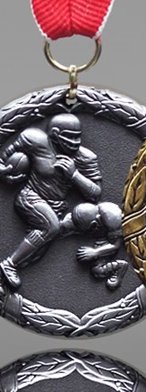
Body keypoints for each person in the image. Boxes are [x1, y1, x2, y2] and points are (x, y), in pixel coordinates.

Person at [0, 114, 102, 290]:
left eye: (78, 136)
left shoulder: (86, 158)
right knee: (51, 227)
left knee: (35, 254)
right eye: (70, 137)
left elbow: (95, 194)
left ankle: (4, 279)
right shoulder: (34, 140)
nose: (75, 142)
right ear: (55, 134)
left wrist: (74, 175)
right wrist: (7, 173)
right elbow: (3, 159)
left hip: (56, 207)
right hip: (30, 197)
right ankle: (9, 264)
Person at [60, 202, 128, 291]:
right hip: (101, 231)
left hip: (110, 238)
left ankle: (119, 266)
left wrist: (95, 252)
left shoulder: (113, 221)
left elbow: (115, 245)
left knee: (97, 271)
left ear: (94, 225)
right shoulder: (88, 213)